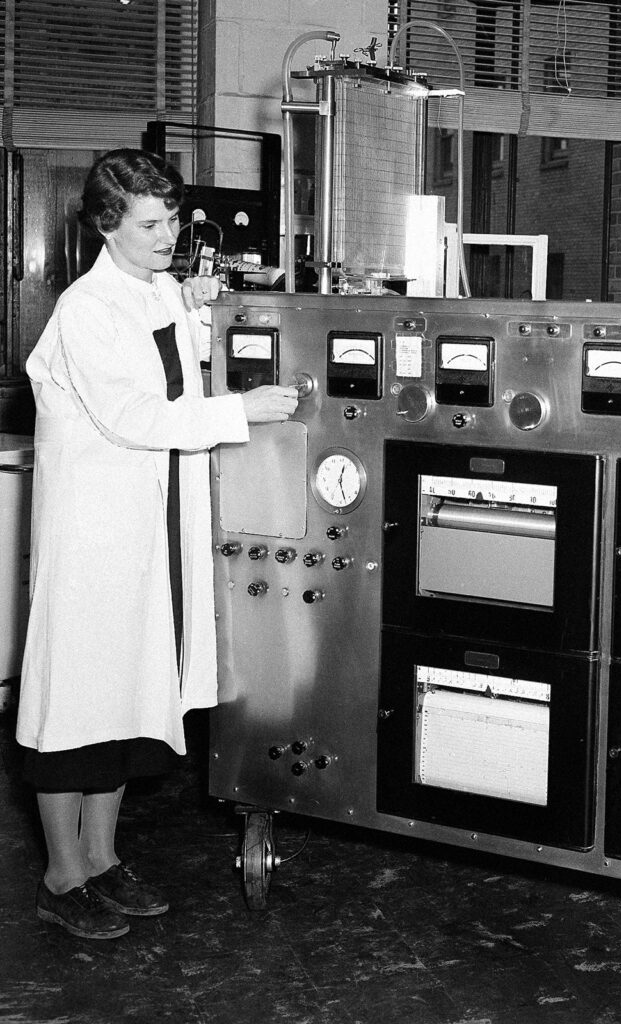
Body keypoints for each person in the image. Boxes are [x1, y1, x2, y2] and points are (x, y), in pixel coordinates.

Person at [15, 148, 299, 940]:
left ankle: (102, 861)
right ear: (107, 226)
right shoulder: (87, 309)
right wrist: (247, 412)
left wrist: (204, 304)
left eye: (173, 218)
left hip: (155, 532)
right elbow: (137, 417)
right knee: (74, 708)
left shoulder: (159, 291)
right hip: (96, 537)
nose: (168, 234)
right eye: (150, 223)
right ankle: (61, 874)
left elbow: (190, 350)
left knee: (127, 702)